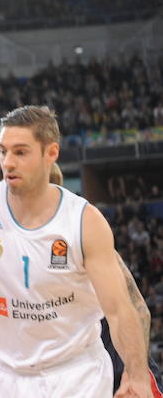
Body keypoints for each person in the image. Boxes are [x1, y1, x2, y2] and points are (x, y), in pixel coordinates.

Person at [0, 105, 152, 398]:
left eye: (20, 152)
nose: (8, 162)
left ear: (51, 153)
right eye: (2, 151)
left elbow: (122, 309)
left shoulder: (85, 221)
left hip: (78, 373)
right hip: (9, 376)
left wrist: (136, 374)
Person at [49, 165, 163, 397]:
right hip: (68, 372)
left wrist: (135, 370)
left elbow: (138, 308)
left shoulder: (81, 239)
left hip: (118, 363)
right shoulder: (17, 248)